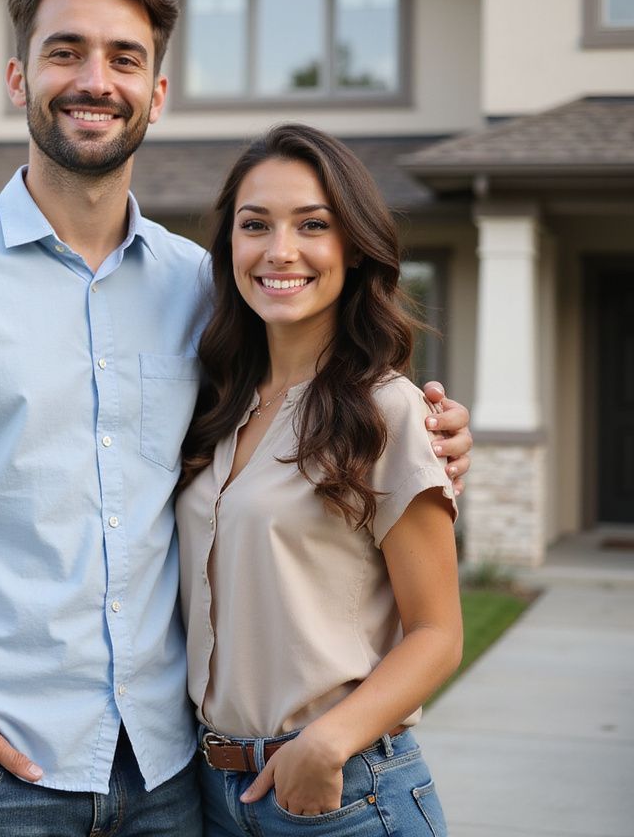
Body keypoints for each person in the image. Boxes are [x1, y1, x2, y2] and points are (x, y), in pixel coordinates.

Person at [0, 0, 471, 837]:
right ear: (19, 79)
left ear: (157, 94)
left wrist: (428, 432)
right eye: (65, 52)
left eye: (125, 58)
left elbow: (316, 414)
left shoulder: (202, 287)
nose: (96, 79)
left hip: (170, 776)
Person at [176, 124, 461, 834]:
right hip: (214, 793)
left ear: (354, 248)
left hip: (343, 794)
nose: (280, 251)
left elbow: (437, 632)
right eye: (255, 225)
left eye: (313, 225)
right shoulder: (216, 403)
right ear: (229, 248)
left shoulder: (386, 409)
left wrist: (326, 743)